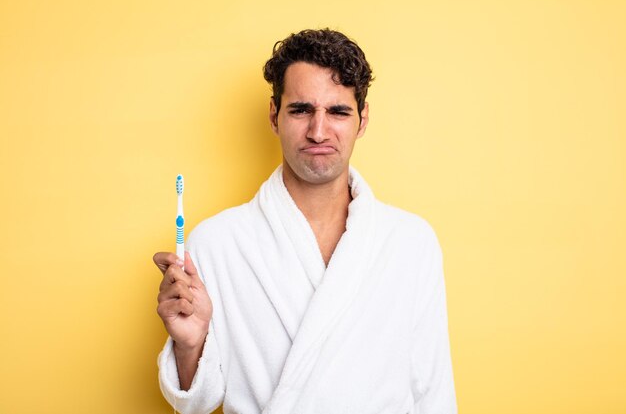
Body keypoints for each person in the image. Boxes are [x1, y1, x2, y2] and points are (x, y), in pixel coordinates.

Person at [153, 28, 457, 414]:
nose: (318, 131)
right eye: (301, 110)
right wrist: (190, 344)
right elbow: (197, 402)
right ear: (274, 115)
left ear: (362, 120)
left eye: (338, 111)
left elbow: (434, 393)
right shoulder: (217, 243)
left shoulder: (411, 242)